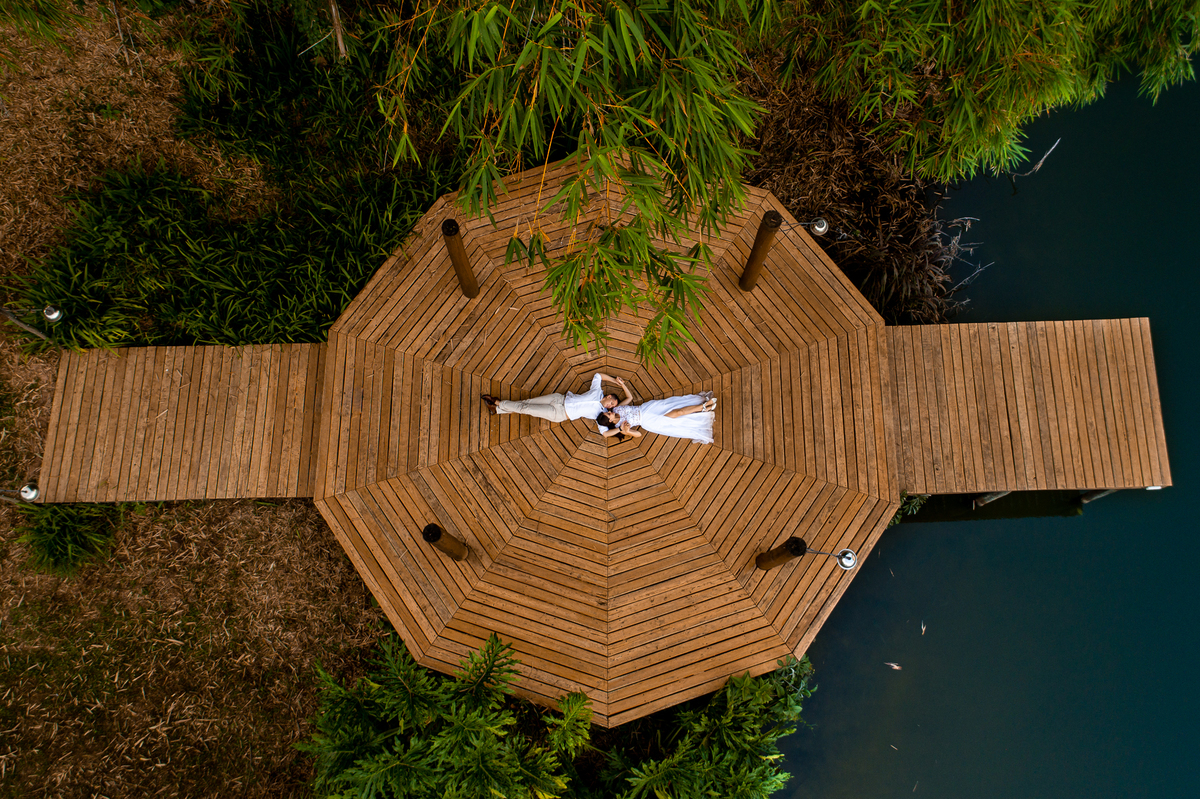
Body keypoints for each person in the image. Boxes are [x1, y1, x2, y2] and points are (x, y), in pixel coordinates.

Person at [481, 373, 632, 423]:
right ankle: (497, 410)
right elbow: (598, 375)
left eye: (612, 406)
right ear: (608, 396)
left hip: (559, 414)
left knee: (526, 408)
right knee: (526, 403)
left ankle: (497, 402)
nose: (611, 406)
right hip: (559, 399)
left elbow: (629, 399)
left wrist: (622, 395)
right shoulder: (597, 391)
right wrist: (616, 381)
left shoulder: (601, 413)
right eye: (612, 402)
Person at [596, 393, 717, 445]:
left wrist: (622, 384)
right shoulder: (621, 427)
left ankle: (704, 407)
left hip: (647, 408)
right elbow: (638, 434)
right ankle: (703, 407)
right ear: (610, 421)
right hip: (648, 421)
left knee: (674, 406)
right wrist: (628, 431)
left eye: (608, 412)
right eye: (608, 414)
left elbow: (630, 397)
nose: (610, 411)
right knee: (677, 413)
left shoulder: (617, 408)